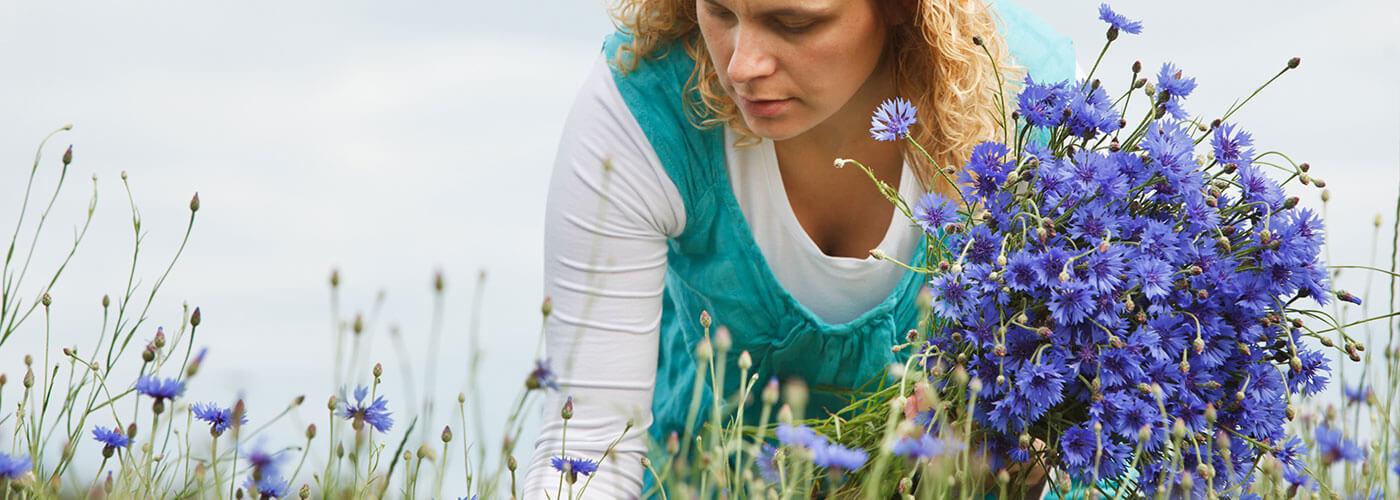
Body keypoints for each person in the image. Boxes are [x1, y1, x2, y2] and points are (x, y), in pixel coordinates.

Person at [523, 0, 1073, 497]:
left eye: (793, 22)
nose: (741, 65)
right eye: (719, 12)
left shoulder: (1021, 96)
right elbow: (590, 445)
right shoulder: (645, 95)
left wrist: (1018, 464)